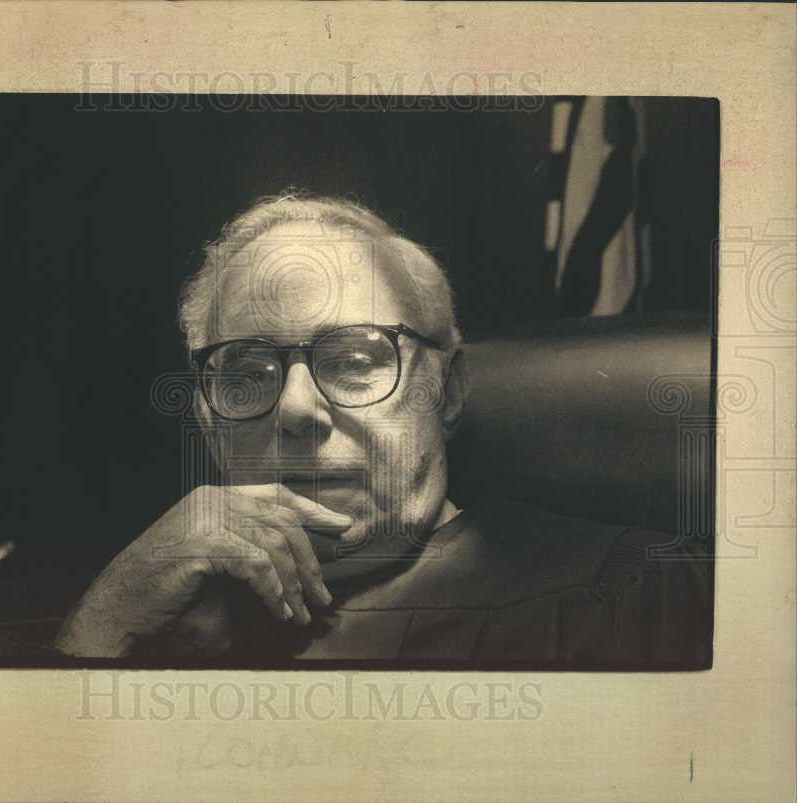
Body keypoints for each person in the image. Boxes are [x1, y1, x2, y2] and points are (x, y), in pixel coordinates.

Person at [41, 192, 712, 668]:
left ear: (446, 391)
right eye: (247, 371)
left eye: (355, 360)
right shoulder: (151, 615)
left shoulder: (640, 597)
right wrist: (109, 619)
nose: (297, 409)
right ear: (209, 420)